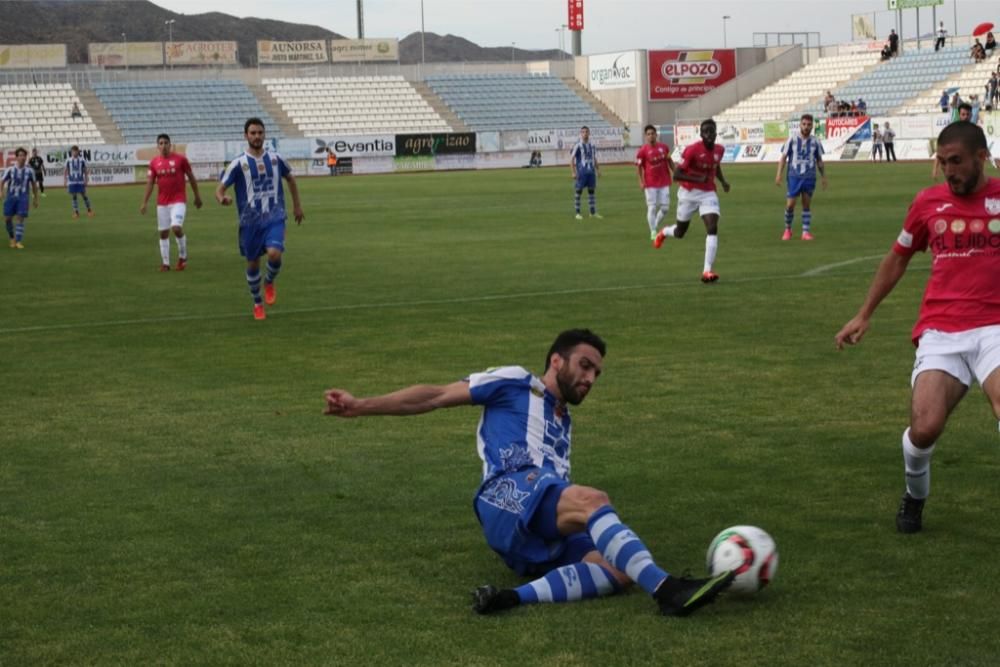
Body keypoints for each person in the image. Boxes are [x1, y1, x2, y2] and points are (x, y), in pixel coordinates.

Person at [322, 328, 736, 616]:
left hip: (533, 517)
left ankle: (510, 598)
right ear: (556, 360)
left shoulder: (563, 422)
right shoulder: (516, 381)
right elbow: (435, 396)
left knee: (618, 571)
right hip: (503, 492)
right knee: (593, 500)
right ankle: (668, 590)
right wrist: (360, 405)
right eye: (584, 365)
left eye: (596, 373)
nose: (590, 378)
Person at [834, 122, 1000, 535]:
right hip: (941, 330)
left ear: (982, 157)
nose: (949, 171)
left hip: (995, 325)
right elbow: (897, 258)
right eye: (943, 162)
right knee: (925, 427)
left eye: (956, 161)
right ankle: (915, 496)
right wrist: (864, 312)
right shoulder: (927, 204)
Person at [215, 117, 304, 321]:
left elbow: (290, 178)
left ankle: (269, 281)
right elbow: (219, 189)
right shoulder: (238, 163)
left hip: (275, 216)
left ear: (265, 135)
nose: (257, 136)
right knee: (253, 263)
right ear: (246, 135)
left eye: (260, 133)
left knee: (274, 254)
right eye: (253, 133)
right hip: (250, 222)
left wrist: (297, 206)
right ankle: (257, 302)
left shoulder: (276, 158)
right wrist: (222, 198)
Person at [653, 118, 731, 283]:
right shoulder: (692, 150)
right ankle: (665, 232)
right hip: (688, 193)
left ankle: (707, 271)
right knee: (680, 232)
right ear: (701, 134)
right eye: (706, 131)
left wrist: (723, 181)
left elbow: (715, 165)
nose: (710, 134)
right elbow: (677, 175)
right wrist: (697, 178)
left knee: (712, 227)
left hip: (708, 193)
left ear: (716, 133)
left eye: (712, 131)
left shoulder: (719, 150)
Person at [139, 133, 203, 272]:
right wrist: (144, 202)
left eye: (165, 143)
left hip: (178, 201)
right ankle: (166, 264)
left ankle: (182, 256)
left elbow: (191, 178)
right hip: (162, 203)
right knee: (163, 233)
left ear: (170, 145)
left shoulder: (181, 160)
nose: (163, 146)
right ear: (157, 146)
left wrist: (197, 196)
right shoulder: (154, 163)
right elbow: (150, 183)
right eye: (160, 143)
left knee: (176, 228)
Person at [775, 114, 826, 241]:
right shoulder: (792, 139)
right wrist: (779, 174)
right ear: (800, 125)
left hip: (809, 176)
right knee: (790, 205)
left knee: (806, 204)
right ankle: (787, 229)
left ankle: (805, 232)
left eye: (809, 124)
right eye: (804, 124)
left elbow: (819, 160)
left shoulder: (816, 141)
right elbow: (783, 158)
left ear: (812, 126)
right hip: (794, 176)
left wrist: (823, 176)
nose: (806, 127)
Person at [635, 124, 675, 241]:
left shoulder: (664, 148)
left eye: (652, 133)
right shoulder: (642, 151)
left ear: (656, 135)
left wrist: (676, 173)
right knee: (652, 208)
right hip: (650, 183)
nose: (651, 136)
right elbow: (638, 168)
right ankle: (653, 231)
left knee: (665, 209)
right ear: (645, 136)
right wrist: (641, 182)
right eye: (648, 134)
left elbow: (670, 161)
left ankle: (655, 224)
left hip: (664, 181)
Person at [2, 147, 39, 249]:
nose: (23, 157)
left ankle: (18, 241)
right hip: (11, 197)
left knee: (20, 218)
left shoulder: (30, 171)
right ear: (16, 157)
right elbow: (2, 181)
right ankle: (12, 238)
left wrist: (35, 198)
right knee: (7, 219)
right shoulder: (10, 170)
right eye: (20, 155)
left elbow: (34, 185)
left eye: (24, 155)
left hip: (23, 197)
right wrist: (1, 192)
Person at [932, 103, 974, 180]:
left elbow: (983, 147)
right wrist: (935, 169)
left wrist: (993, 161)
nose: (965, 117)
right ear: (959, 115)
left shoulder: (975, 131)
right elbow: (941, 150)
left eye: (968, 114)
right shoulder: (953, 131)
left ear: (971, 115)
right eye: (963, 114)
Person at [570, 126, 601, 220]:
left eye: (586, 132)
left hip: (591, 172)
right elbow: (571, 159)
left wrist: (598, 170)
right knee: (578, 192)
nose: (585, 133)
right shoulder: (578, 145)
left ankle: (592, 212)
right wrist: (573, 172)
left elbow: (594, 158)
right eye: (583, 132)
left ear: (589, 133)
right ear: (581, 134)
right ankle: (577, 213)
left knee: (591, 192)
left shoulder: (592, 145)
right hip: (582, 172)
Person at [64, 145, 93, 219]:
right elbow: (65, 171)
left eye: (75, 151)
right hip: (71, 181)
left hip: (80, 181)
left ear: (78, 151)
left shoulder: (82, 160)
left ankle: (89, 210)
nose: (74, 152)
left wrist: (86, 179)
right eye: (73, 151)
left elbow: (85, 171)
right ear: (71, 152)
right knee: (74, 196)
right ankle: (76, 212)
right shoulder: (68, 160)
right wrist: (65, 180)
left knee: (84, 195)